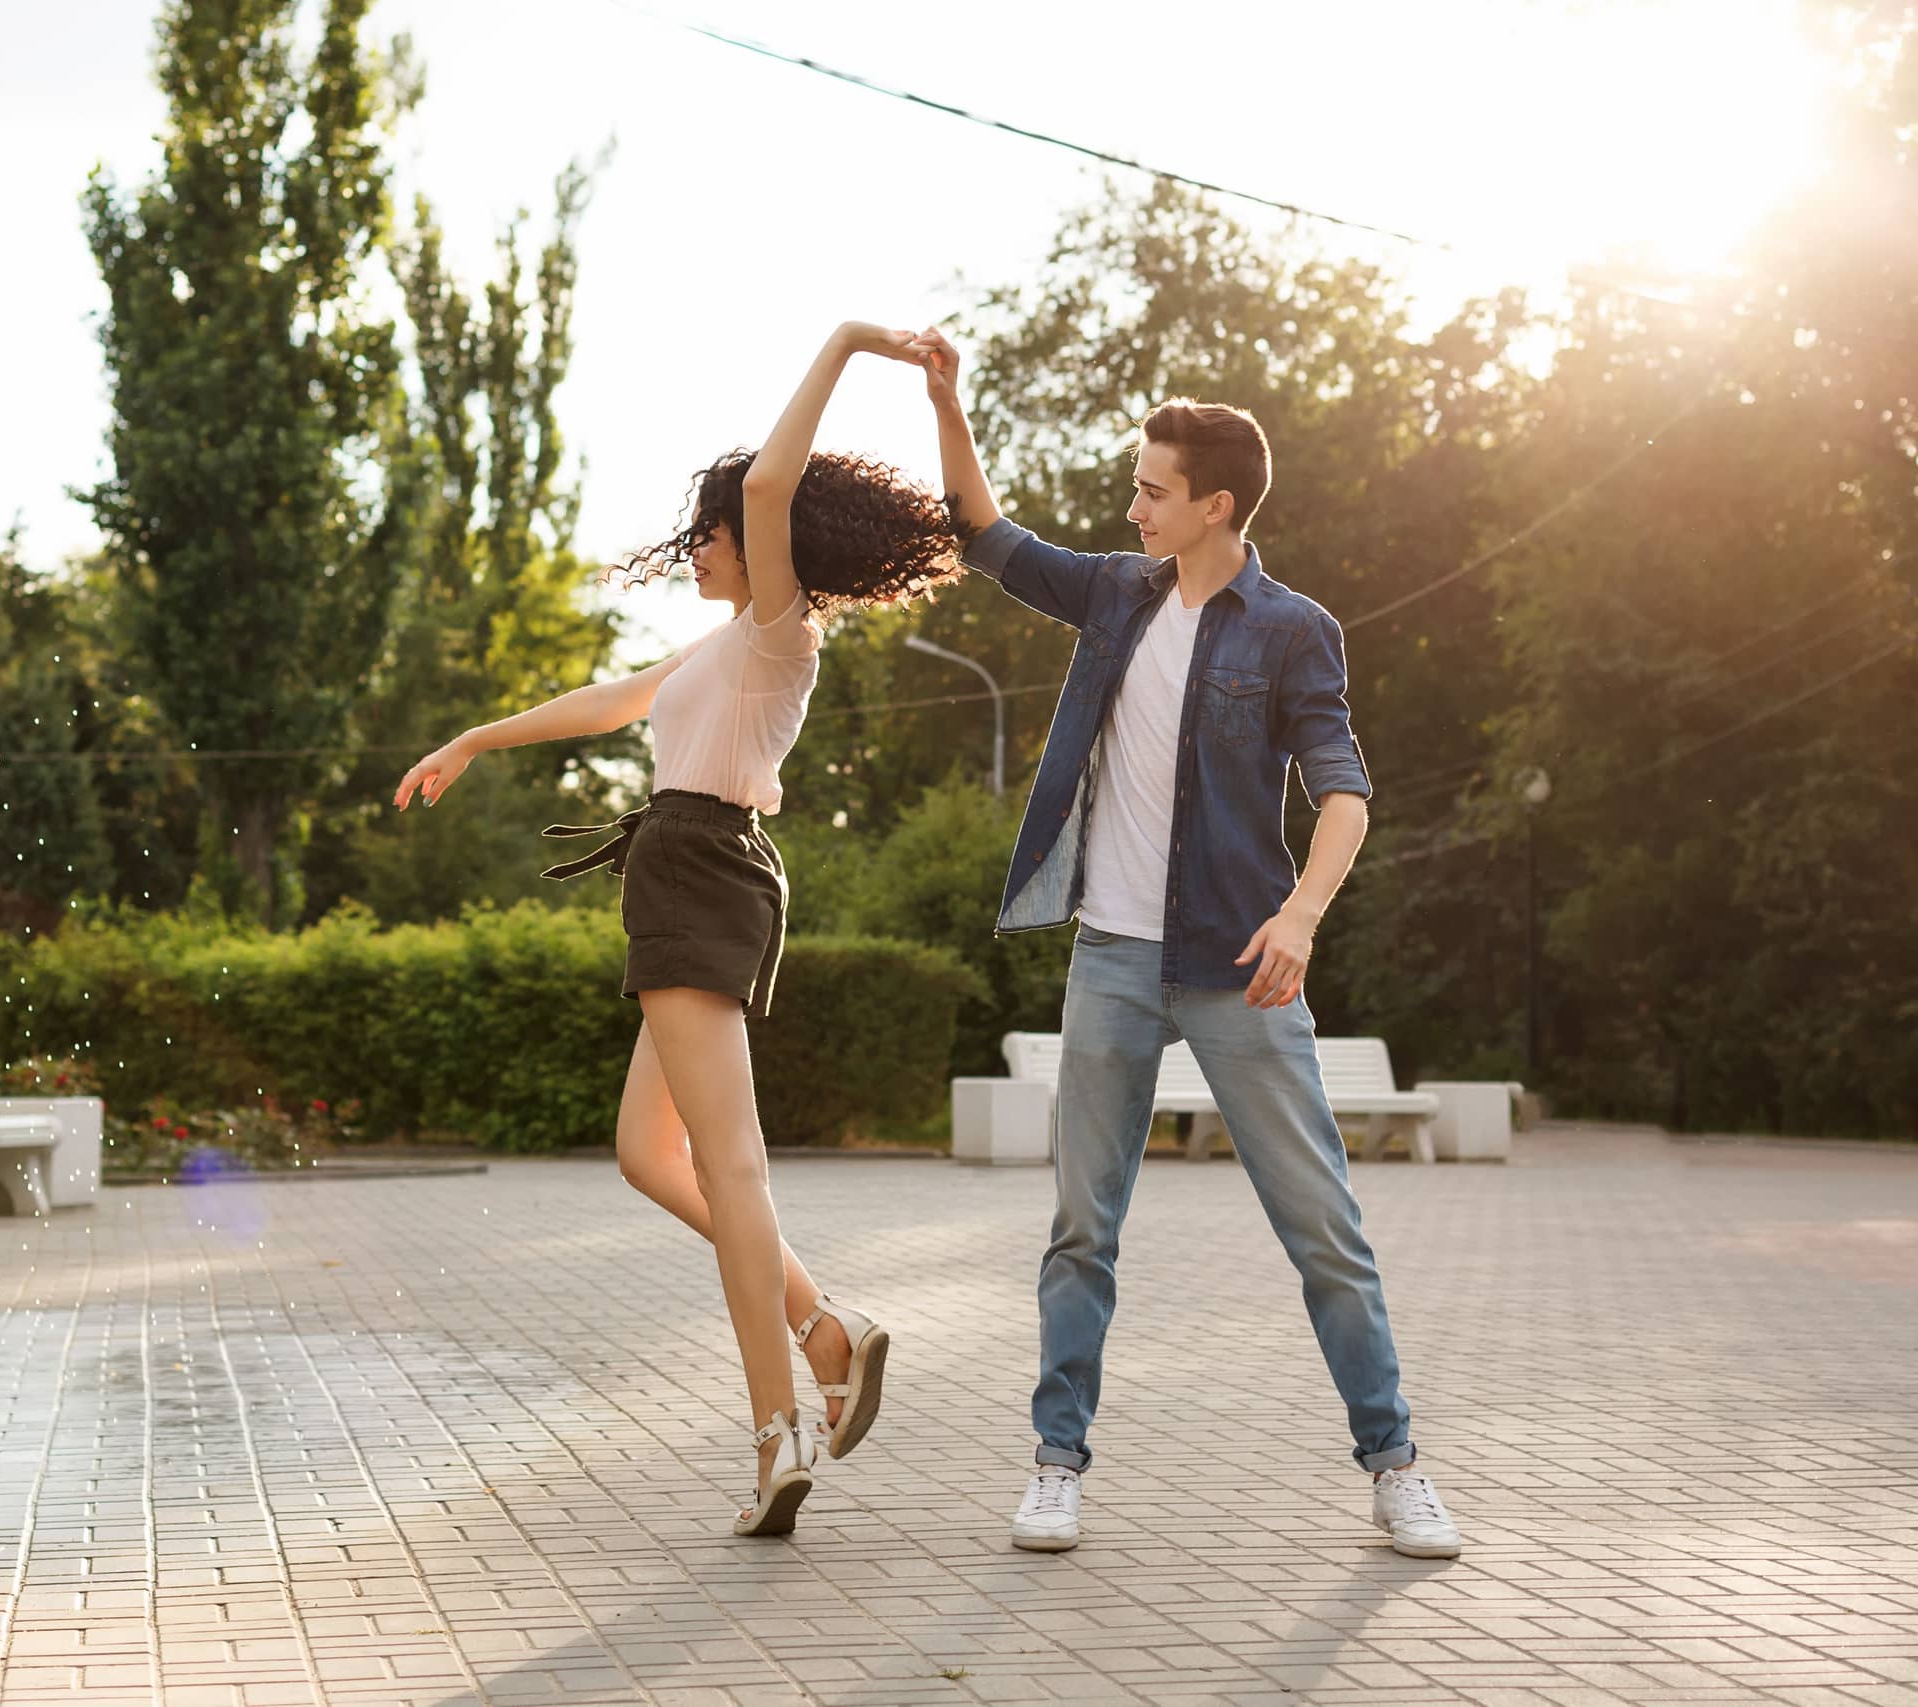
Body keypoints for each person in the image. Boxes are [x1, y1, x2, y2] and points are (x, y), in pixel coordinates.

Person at [397, 321, 963, 1536]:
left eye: (712, 535)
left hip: (700, 865)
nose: (701, 549)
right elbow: (615, 702)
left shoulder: (777, 629)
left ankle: (780, 1425)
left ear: (760, 544)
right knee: (650, 1155)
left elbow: (769, 481)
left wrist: (851, 344)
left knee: (730, 1163)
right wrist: (476, 740)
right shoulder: (722, 651)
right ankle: (825, 1330)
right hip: (684, 869)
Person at [913, 327, 1465, 1560]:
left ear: (1216, 505)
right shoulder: (1114, 593)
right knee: (1080, 1232)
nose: (1132, 506)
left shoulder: (1290, 631)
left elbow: (1342, 787)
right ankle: (1056, 1464)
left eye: (1153, 490)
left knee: (1322, 1230)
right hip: (1109, 957)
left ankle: (1396, 1466)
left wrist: (1302, 914)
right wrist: (951, 404)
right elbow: (983, 533)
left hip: (1238, 965)